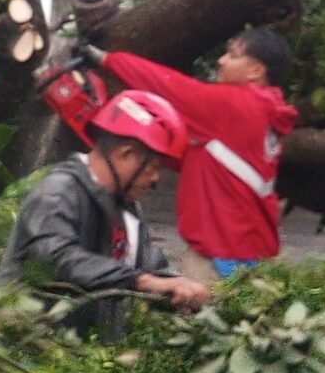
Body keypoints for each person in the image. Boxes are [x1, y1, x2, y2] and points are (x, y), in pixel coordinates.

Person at [0, 89, 215, 341]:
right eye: (154, 167)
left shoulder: (128, 209)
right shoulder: (57, 193)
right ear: (126, 153)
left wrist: (178, 288)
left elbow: (145, 269)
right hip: (32, 350)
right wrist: (144, 282)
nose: (156, 179)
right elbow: (57, 259)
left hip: (86, 358)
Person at [83, 29, 299, 275]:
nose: (221, 60)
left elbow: (169, 87)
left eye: (232, 55)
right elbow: (206, 158)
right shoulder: (266, 112)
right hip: (251, 249)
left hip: (220, 254)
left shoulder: (235, 105)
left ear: (256, 71)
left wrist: (107, 60)